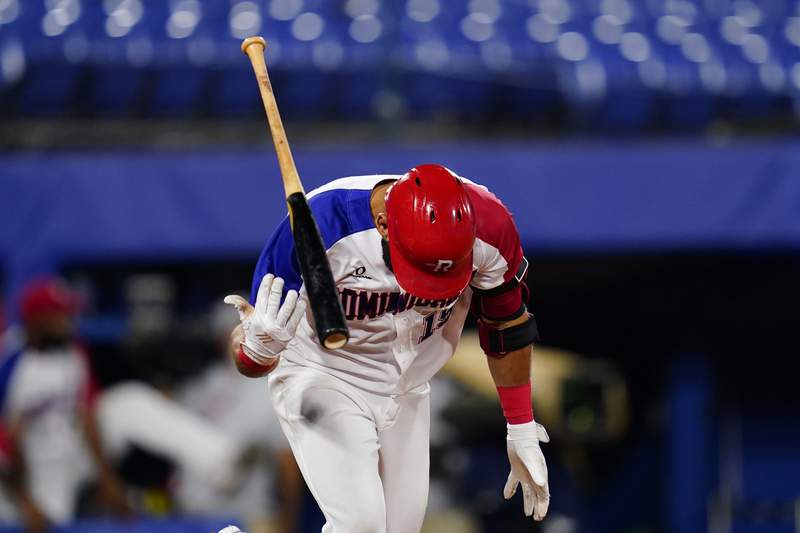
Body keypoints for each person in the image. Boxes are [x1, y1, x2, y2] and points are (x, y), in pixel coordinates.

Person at [224, 165, 550, 533]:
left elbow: (505, 325)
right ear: (382, 223)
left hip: (410, 385)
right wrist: (258, 349)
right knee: (361, 526)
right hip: (324, 373)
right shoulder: (324, 222)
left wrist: (520, 425)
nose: (432, 290)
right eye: (424, 271)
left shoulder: (490, 227)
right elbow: (247, 353)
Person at [0, 278, 246, 530]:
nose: (68, 320)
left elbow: (88, 415)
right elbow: (6, 443)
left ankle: (225, 462)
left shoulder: (74, 352)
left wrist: (108, 479)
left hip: (75, 451)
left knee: (128, 402)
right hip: (32, 466)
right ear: (37, 320)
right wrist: (25, 500)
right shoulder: (11, 363)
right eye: (59, 315)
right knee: (49, 519)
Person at [174, 301, 304, 532]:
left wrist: (288, 519)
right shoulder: (200, 384)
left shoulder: (269, 388)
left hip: (249, 514)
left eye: (240, 332)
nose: (232, 341)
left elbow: (287, 462)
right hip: (194, 513)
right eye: (226, 334)